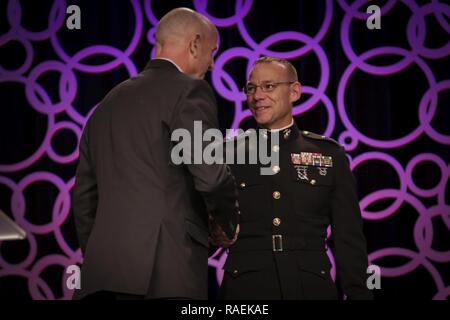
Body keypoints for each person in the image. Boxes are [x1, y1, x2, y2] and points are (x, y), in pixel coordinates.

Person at [72, 8, 239, 300]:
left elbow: (84, 199)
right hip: (163, 275)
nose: (212, 64)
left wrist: (102, 257)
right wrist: (226, 224)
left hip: (101, 278)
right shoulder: (189, 92)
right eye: (212, 51)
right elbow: (211, 176)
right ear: (195, 44)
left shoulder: (106, 105)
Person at [219, 56, 373, 300]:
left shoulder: (328, 154)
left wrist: (359, 295)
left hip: (310, 286)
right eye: (251, 88)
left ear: (295, 91)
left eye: (268, 86)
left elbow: (349, 239)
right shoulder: (228, 154)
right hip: (246, 288)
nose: (257, 96)